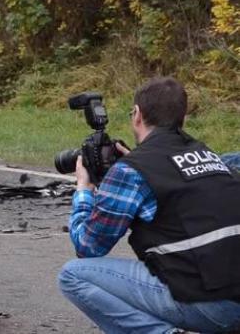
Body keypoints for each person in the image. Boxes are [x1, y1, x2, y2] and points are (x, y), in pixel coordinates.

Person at [58, 77, 240, 333]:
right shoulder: (211, 157)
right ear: (183, 117)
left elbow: (88, 246)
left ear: (137, 115)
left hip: (213, 308)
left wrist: (83, 191)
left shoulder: (131, 172)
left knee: (73, 275)